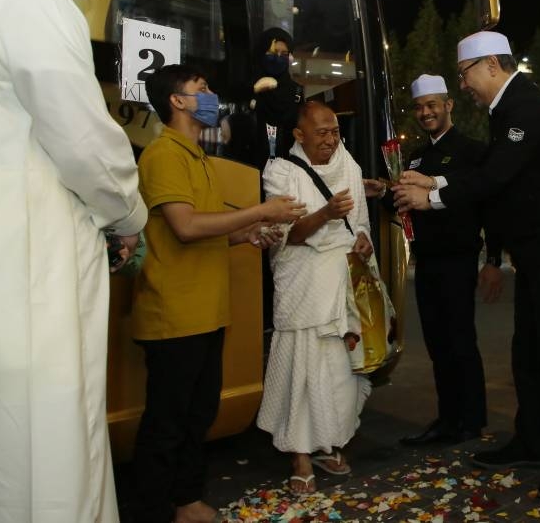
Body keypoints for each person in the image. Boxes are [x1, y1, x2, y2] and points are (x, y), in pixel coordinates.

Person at [0, 0, 146, 521]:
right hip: (33, 262)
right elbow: (85, 145)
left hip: (2, 258)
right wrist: (128, 212)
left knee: (3, 439)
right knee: (51, 439)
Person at [393, 31, 540, 501]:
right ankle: (534, 440)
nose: (463, 84)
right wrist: (440, 177)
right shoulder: (507, 108)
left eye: (465, 75)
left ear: (490, 64)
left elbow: (495, 175)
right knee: (528, 353)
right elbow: (493, 164)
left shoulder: (525, 106)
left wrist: (433, 198)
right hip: (537, 255)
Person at [132, 64, 305, 523]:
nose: (210, 96)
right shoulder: (164, 155)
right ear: (177, 101)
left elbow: (204, 230)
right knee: (166, 425)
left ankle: (186, 500)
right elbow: (185, 228)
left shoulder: (197, 156)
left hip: (206, 310)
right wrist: (260, 209)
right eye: (201, 89)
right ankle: (153, 510)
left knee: (196, 417)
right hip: (174, 314)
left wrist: (248, 232)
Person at [256, 101, 374, 493]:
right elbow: (289, 235)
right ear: (299, 135)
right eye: (321, 132)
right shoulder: (280, 171)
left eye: (335, 131)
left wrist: (363, 240)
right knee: (301, 369)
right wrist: (325, 213)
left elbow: (360, 225)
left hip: (342, 281)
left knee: (339, 371)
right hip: (303, 282)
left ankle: (327, 443)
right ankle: (300, 454)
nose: (330, 139)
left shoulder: (350, 165)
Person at [397, 74, 503, 447]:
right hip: (425, 262)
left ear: (449, 105)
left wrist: (493, 260)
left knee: (460, 340)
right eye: (420, 107)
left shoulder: (473, 151)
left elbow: (492, 209)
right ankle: (447, 418)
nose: (426, 113)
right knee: (437, 344)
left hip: (458, 260)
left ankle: (471, 421)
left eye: (432, 105)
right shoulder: (414, 157)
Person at [253, 27, 302, 168]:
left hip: (288, 172)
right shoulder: (249, 89)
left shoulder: (297, 92)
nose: (278, 58)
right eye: (273, 53)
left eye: (284, 54)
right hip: (250, 169)